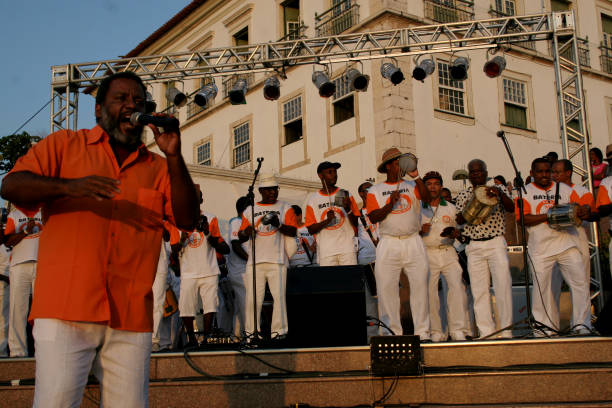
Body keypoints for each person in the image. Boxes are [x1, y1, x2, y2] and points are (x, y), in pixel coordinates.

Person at [0, 71, 199, 407]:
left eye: (138, 100)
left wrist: (175, 157)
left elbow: (188, 219)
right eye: (121, 98)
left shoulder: (159, 167)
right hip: (65, 310)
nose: (131, 105)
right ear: (98, 109)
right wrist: (67, 187)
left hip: (130, 316)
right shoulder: (65, 145)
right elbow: (11, 185)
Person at [518, 158, 592, 335]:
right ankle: (543, 329)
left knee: (580, 283)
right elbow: (522, 218)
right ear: (532, 173)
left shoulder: (565, 189)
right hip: (540, 248)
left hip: (567, 244)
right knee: (541, 289)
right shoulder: (524, 192)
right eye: (540, 172)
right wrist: (549, 215)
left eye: (547, 171)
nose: (544, 175)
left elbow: (582, 208)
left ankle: (582, 325)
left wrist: (583, 210)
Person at [366, 148, 431, 340]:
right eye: (396, 163)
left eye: (401, 162)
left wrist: (417, 176)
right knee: (387, 290)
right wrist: (389, 204)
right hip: (388, 242)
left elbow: (428, 199)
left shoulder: (412, 185)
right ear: (387, 166)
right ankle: (391, 333)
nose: (400, 166)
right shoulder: (375, 190)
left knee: (420, 287)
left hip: (413, 240)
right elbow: (373, 216)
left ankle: (423, 333)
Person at [455, 159, 514, 339]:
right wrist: (471, 206)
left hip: (495, 242)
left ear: (486, 173)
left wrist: (498, 194)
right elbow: (459, 220)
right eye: (472, 172)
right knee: (479, 291)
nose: (476, 174)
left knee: (503, 286)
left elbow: (511, 208)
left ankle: (506, 330)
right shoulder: (464, 194)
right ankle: (486, 331)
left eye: (479, 171)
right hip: (474, 245)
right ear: (469, 175)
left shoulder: (498, 189)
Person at [238, 174, 297, 340]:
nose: (273, 192)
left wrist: (279, 225)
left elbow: (293, 231)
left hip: (277, 260)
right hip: (255, 261)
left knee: (279, 299)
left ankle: (279, 333)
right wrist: (245, 232)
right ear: (261, 191)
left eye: (275, 189)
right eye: (269, 189)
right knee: (252, 300)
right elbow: (241, 237)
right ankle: (252, 334)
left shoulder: (286, 207)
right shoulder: (250, 210)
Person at [420, 171, 468, 342]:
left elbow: (460, 230)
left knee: (456, 289)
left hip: (448, 251)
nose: (433, 187)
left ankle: (457, 330)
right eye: (429, 184)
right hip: (428, 252)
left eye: (436, 184)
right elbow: (411, 232)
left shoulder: (450, 206)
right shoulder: (419, 207)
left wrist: (455, 233)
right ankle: (436, 331)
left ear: (441, 186)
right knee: (430, 294)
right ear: (424, 187)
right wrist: (420, 231)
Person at [179, 185, 230, 346]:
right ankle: (191, 339)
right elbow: (174, 249)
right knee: (186, 306)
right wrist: (183, 236)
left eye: (197, 198)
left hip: (209, 270)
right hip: (188, 271)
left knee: (210, 304)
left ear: (201, 200)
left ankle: (207, 338)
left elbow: (224, 248)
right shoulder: (179, 220)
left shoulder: (210, 218)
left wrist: (207, 232)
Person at [551, 159, 596, 330]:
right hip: (554, 239)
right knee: (552, 285)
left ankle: (581, 324)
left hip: (577, 236)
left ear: (568, 173)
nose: (553, 175)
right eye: (552, 172)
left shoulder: (581, 191)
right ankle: (550, 326)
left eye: (557, 172)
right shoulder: (550, 191)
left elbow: (591, 213)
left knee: (581, 283)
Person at [2, 208, 42, 357]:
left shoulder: (44, 212)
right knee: (17, 310)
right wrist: (26, 231)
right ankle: (18, 353)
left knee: (42, 312)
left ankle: (43, 351)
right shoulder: (14, 214)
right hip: (19, 265)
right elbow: (8, 241)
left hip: (42, 264)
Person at [305, 162, 359, 266]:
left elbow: (356, 223)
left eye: (335, 172)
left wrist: (348, 210)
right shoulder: (313, 200)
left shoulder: (344, 194)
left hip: (347, 250)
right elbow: (311, 229)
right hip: (327, 252)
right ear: (320, 176)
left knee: (349, 281)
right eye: (330, 172)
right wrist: (327, 221)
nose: (334, 175)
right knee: (330, 282)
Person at [151, 222, 180, 352]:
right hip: (140, 261)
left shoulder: (165, 220)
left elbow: (168, 237)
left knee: (158, 303)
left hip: (159, 264)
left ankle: (154, 340)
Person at [225, 196, 251, 336]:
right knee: (246, 305)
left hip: (246, 269)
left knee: (241, 305)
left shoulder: (247, 223)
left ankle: (237, 335)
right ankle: (249, 335)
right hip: (240, 271)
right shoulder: (237, 222)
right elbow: (235, 245)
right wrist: (250, 259)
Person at [356, 181, 379, 340]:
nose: (370, 191)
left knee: (388, 298)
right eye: (367, 189)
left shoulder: (382, 209)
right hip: (367, 259)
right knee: (370, 302)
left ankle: (388, 333)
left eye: (372, 188)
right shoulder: (357, 215)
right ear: (361, 194)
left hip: (385, 257)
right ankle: (372, 337)